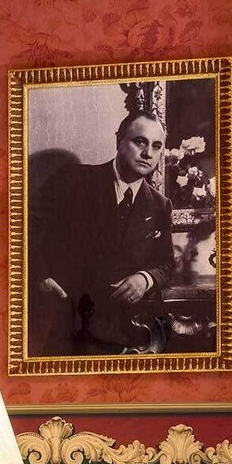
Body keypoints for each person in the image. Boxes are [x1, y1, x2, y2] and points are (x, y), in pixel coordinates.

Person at [28, 111, 175, 356]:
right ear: (119, 140)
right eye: (140, 141)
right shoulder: (72, 179)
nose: (148, 153)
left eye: (156, 146)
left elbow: (167, 264)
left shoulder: (160, 205)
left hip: (125, 331)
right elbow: (23, 223)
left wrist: (145, 278)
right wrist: (39, 274)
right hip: (68, 324)